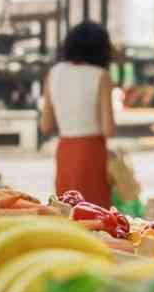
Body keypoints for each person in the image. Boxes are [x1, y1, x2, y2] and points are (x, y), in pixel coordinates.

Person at [40, 21, 115, 207]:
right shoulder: (101, 75)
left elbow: (46, 125)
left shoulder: (53, 73)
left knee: (68, 210)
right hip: (92, 151)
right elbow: (108, 129)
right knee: (96, 215)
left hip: (65, 150)